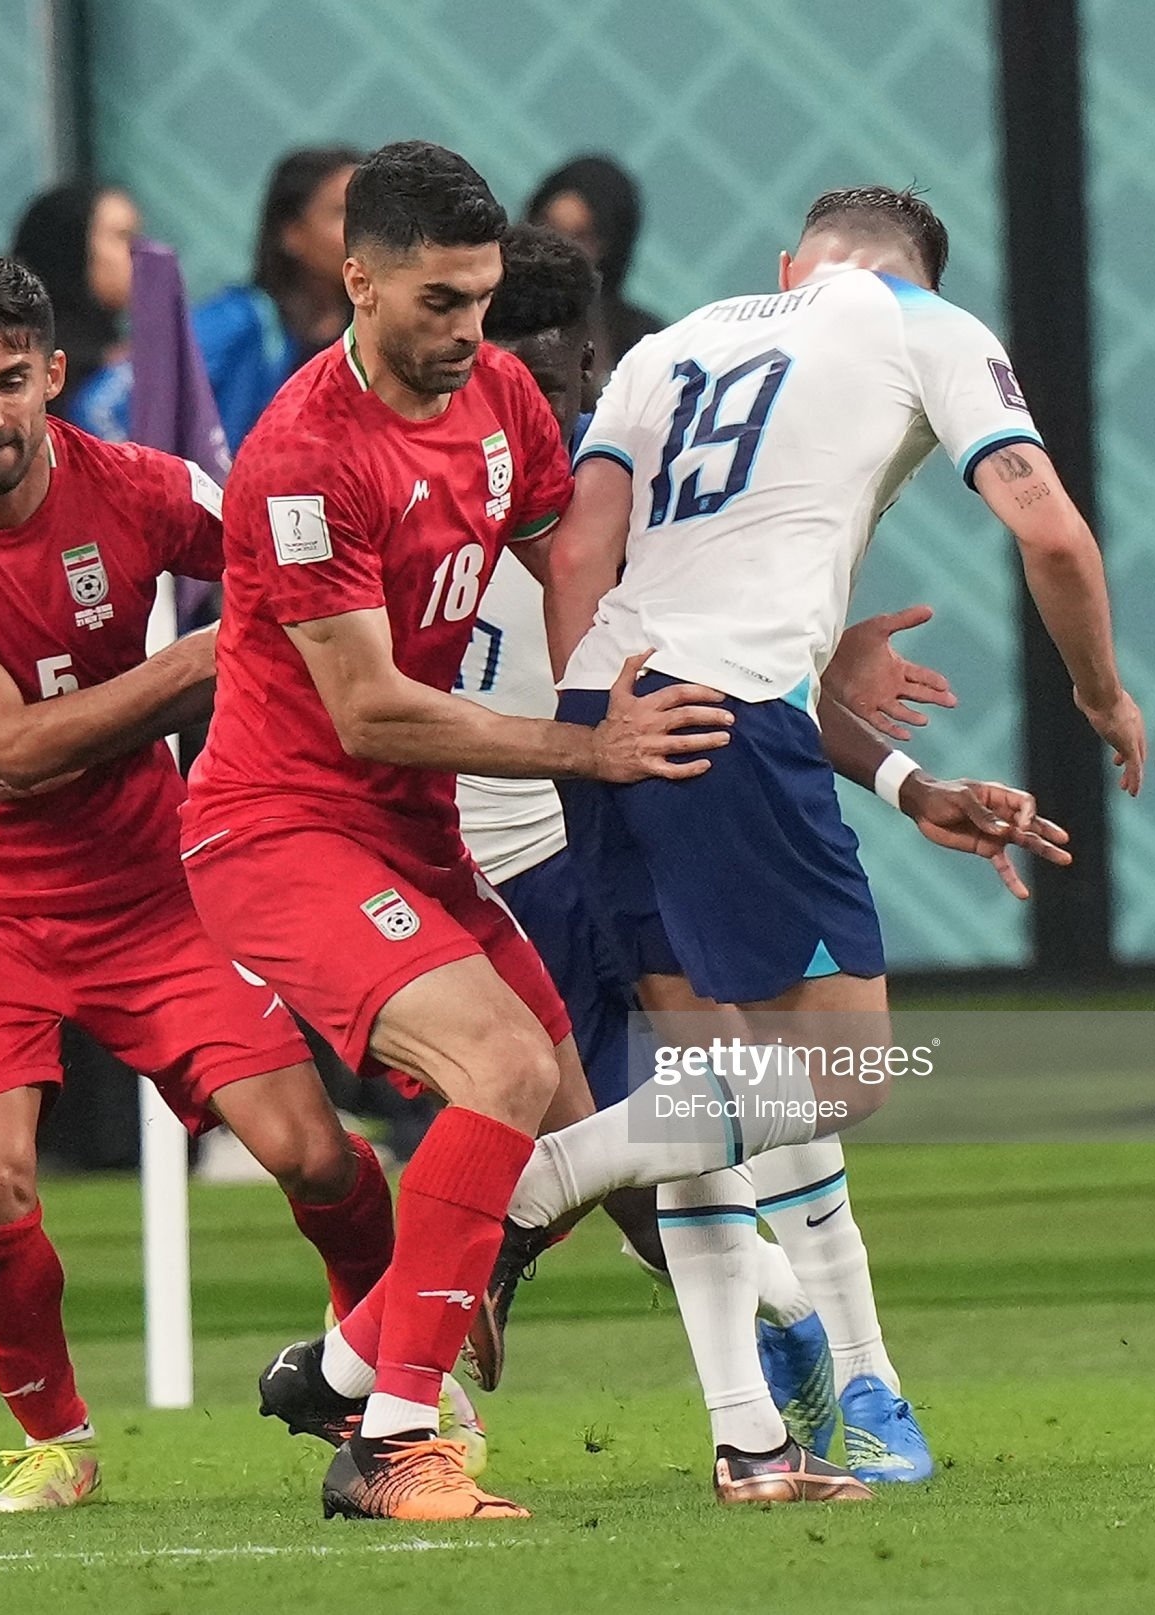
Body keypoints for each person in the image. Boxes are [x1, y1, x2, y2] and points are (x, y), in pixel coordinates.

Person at [478, 186, 1138, 1471]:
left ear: (789, 263)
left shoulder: (672, 345)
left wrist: (595, 717)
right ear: (914, 275)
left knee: (707, 1086)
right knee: (839, 1071)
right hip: (721, 724)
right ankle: (534, 1188)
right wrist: (1100, 695)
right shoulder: (916, 324)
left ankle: (752, 1436)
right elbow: (1050, 534)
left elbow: (580, 557)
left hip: (606, 724)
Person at [177, 140, 745, 1522]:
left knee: (563, 1147)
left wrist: (773, 660)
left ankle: (342, 1367)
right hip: (281, 832)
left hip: (412, 837)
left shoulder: (496, 395)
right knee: (498, 1066)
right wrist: (588, 749)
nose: (468, 331)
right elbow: (370, 710)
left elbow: (579, 569)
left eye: (481, 298)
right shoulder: (301, 461)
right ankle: (390, 1444)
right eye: (438, 301)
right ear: (356, 281)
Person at [0, 254, 395, 1515]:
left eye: (9, 382)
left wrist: (198, 673)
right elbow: (15, 746)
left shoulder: (145, 487)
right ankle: (57, 1440)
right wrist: (196, 660)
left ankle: (391, 1374)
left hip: (149, 888)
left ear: (53, 376)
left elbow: (295, 575)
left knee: (312, 1153)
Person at [459, 225, 956, 1488]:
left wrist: (902, 779)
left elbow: (745, 671)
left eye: (539, 374)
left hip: (623, 801)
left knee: (751, 1088)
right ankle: (770, 1358)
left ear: (585, 364)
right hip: (497, 864)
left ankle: (856, 1381)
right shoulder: (427, 485)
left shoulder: (635, 482)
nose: (519, 401)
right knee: (674, 1140)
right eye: (491, 370)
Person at [194, 146, 360, 449]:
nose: (362, 231)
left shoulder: (378, 332)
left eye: (367, 214)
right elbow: (109, 410)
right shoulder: (237, 321)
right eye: (341, 213)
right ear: (292, 234)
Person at [8, 181, 141, 441]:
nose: (140, 254)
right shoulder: (15, 358)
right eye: (122, 237)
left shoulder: (115, 352)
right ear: (73, 247)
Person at [526, 154, 665, 380]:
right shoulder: (482, 290)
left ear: (608, 248)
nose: (553, 247)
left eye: (577, 237)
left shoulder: (638, 346)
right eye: (547, 225)